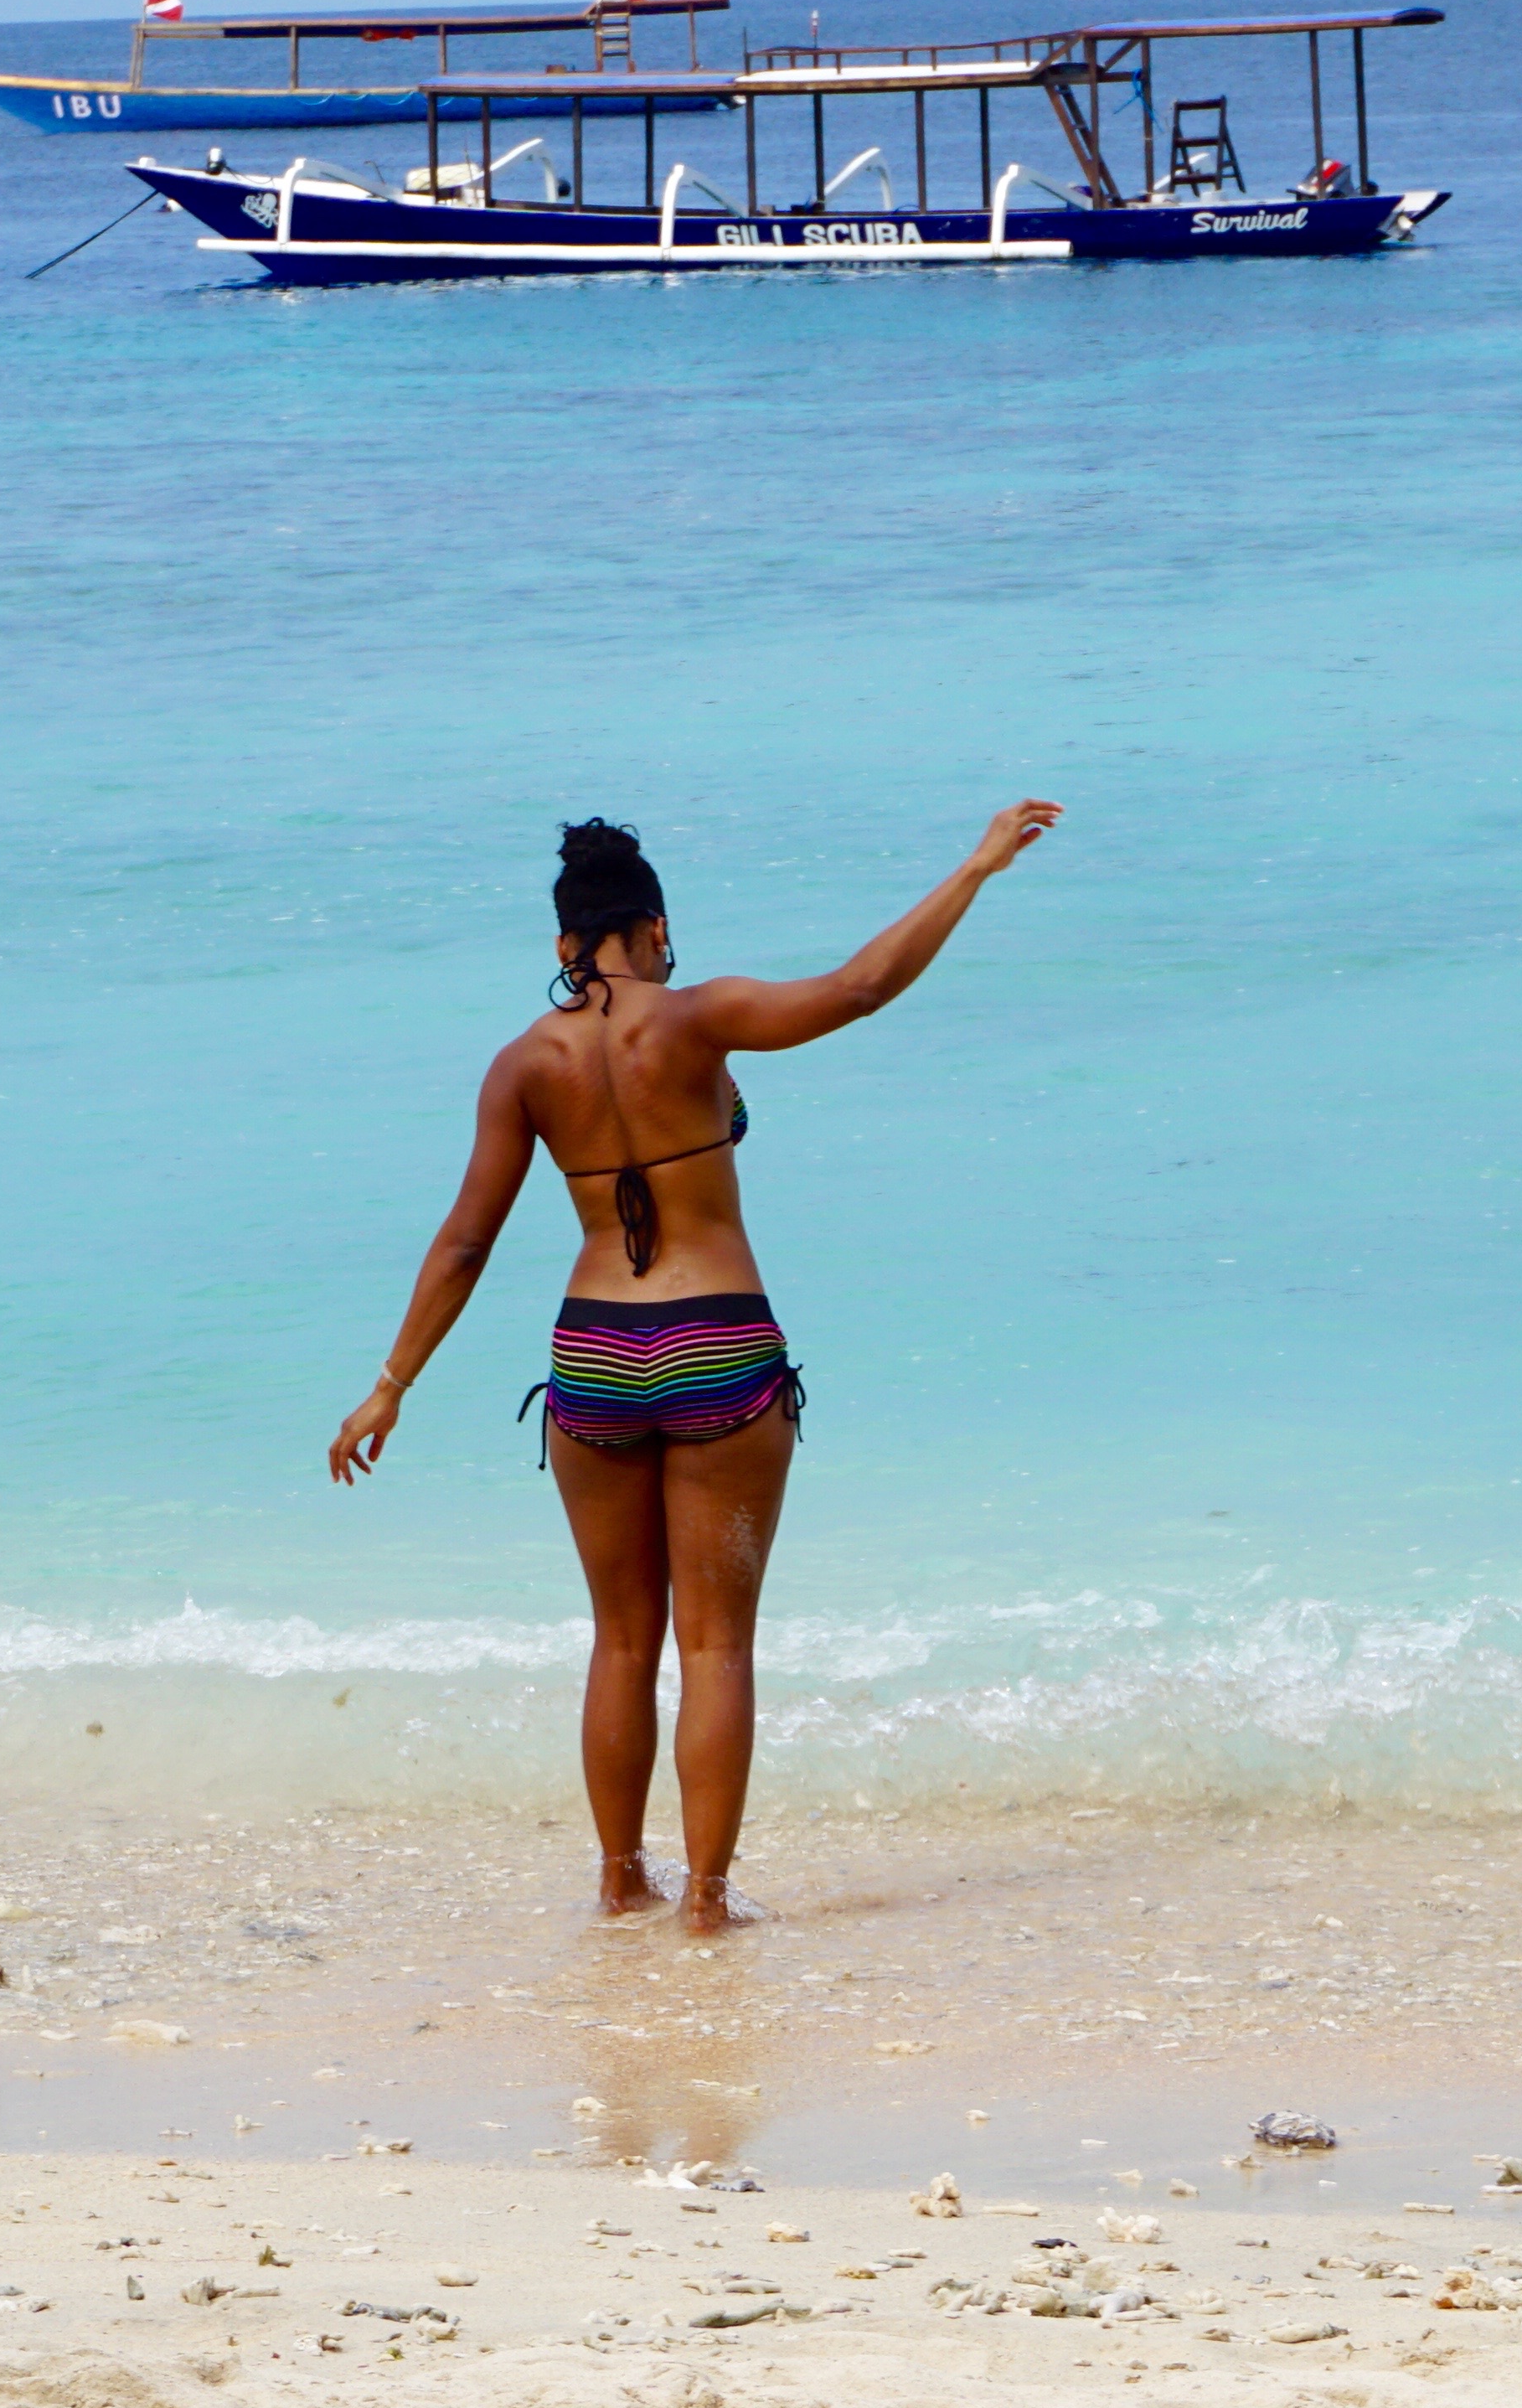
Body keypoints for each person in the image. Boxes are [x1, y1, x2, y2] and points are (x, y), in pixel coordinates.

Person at [327, 800, 1065, 1930]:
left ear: (568, 946)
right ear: (656, 928)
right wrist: (973, 869)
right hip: (719, 1343)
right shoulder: (699, 1016)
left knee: (622, 1639)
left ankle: (622, 1881)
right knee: (715, 1644)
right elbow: (861, 988)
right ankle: (710, 1905)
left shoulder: (522, 1065)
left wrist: (391, 1383)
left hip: (596, 1358)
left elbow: (466, 1241)